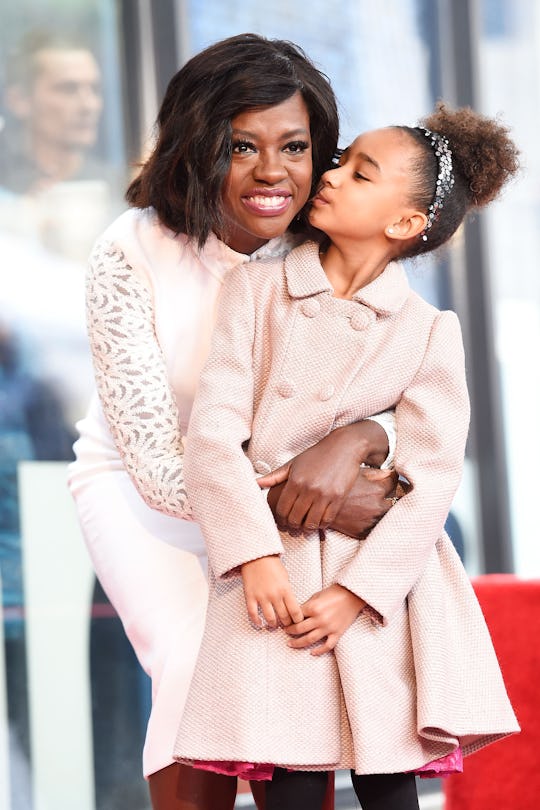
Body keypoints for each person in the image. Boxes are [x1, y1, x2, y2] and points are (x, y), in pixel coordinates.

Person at [68, 34, 398, 810]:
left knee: (304, 650)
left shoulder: (335, 249)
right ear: (196, 143)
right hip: (151, 496)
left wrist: (358, 440)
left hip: (288, 490)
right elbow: (153, 460)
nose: (272, 172)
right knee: (197, 656)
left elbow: (400, 393)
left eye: (294, 146)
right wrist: (298, 504)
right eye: (241, 146)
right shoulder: (132, 250)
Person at [173, 103, 521, 810]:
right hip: (275, 579)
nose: (329, 176)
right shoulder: (257, 291)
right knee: (290, 780)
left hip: (382, 592)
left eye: (360, 173)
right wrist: (254, 555)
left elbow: (431, 478)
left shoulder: (429, 332)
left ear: (402, 224)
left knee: (388, 778)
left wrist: (359, 594)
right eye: (340, 160)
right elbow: (212, 434)